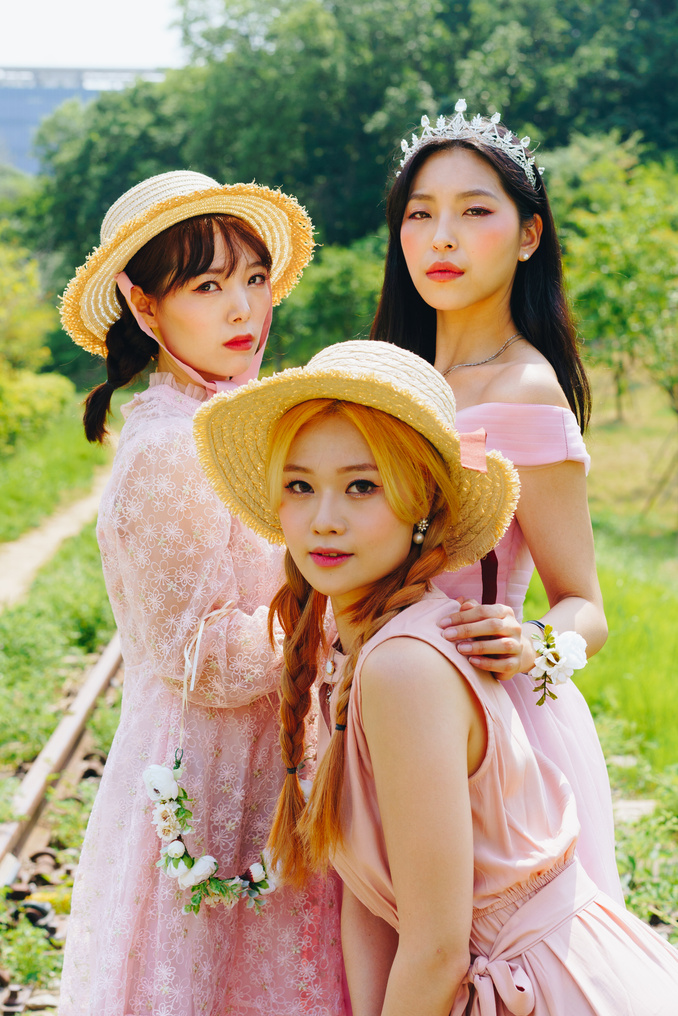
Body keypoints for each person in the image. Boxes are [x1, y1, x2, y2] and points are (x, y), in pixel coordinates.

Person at [193, 338, 678, 1016]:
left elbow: (438, 950)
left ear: (422, 504)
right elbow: (377, 905)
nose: (324, 519)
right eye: (300, 486)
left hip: (552, 987)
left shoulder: (406, 666)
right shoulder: (367, 648)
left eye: (362, 486)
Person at [58, 171, 345, 1016]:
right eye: (207, 286)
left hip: (277, 756)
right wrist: (342, 613)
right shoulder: (170, 450)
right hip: (216, 779)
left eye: (255, 281)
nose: (243, 310)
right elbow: (205, 660)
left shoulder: (238, 419)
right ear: (145, 308)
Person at [370, 101, 620, 901]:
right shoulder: (382, 377)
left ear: (527, 235)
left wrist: (534, 645)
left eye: (474, 211)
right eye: (420, 213)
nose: (441, 236)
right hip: (370, 701)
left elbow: (585, 603)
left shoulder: (525, 390)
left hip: (477, 719)